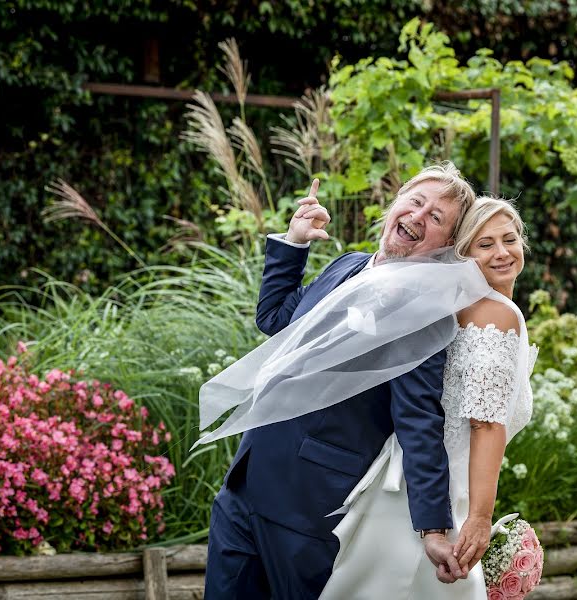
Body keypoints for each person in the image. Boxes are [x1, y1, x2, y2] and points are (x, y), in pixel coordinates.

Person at [203, 162, 480, 599]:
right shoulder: (347, 265)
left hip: (309, 506)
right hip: (244, 485)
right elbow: (277, 320)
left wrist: (433, 526)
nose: (418, 216)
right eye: (416, 201)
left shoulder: (424, 315)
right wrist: (293, 243)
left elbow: (419, 421)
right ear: (395, 204)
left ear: (445, 244)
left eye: (436, 218)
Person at [320, 196, 537, 599]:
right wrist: (479, 518)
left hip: (410, 487)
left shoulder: (470, 307)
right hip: (436, 499)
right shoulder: (496, 315)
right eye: (485, 244)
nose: (502, 252)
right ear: (464, 255)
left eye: (510, 239)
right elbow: (484, 423)